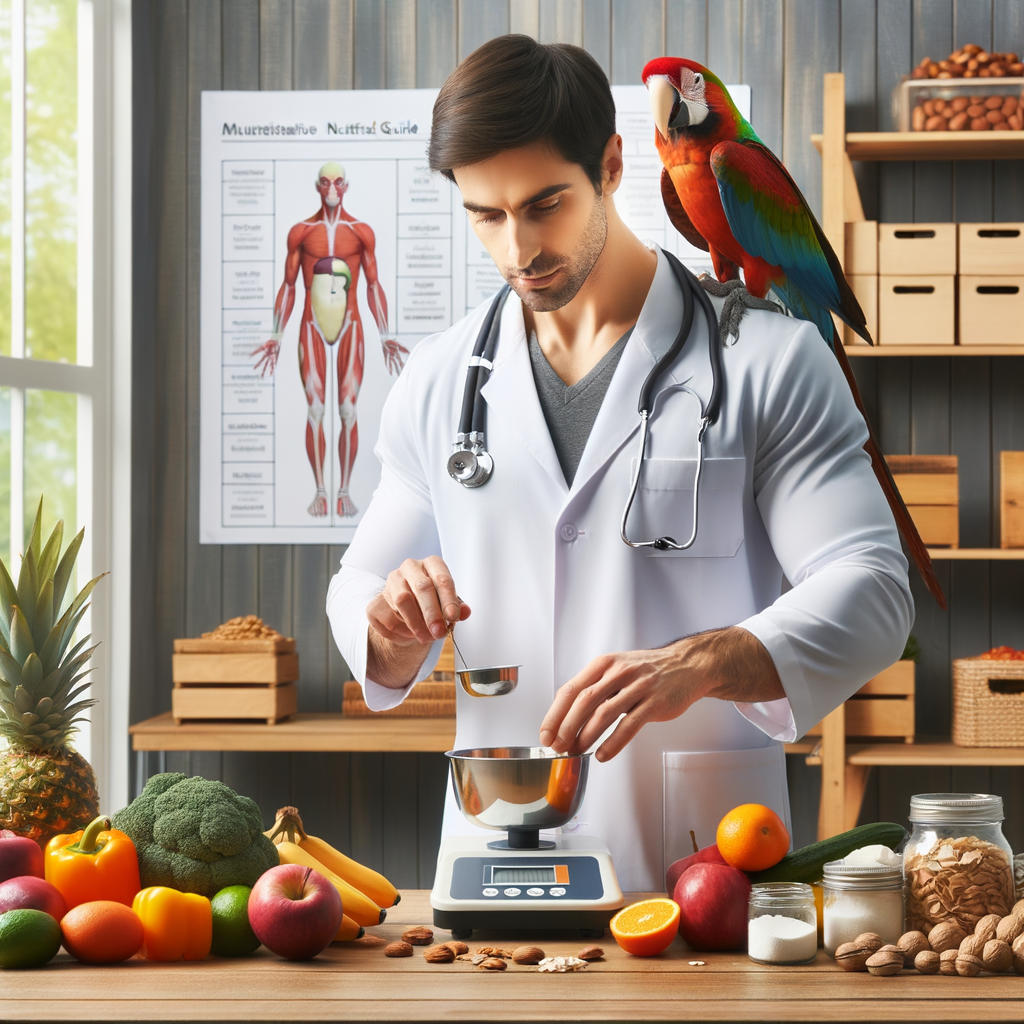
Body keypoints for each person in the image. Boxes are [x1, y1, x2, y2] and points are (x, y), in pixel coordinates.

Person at [326, 36, 913, 890]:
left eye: (544, 204)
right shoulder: (438, 380)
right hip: (497, 856)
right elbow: (361, 583)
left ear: (610, 166)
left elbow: (872, 588)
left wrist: (705, 660)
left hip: (703, 862)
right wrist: (388, 621)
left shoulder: (769, 362)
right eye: (484, 215)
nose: (517, 249)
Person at [252, 161, 408, 518]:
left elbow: (373, 284)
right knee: (317, 409)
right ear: (317, 187)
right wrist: (276, 334)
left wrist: (385, 335)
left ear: (346, 187)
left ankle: (344, 491)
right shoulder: (302, 232)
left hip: (350, 323)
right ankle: (321, 490)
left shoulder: (361, 232)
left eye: (338, 182)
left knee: (348, 410)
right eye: (326, 183)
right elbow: (288, 286)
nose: (332, 189)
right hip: (312, 325)